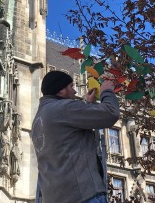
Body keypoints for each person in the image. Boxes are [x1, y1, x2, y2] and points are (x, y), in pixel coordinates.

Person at [32, 71, 119, 203]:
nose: (75, 91)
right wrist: (107, 92)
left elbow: (69, 137)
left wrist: (87, 106)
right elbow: (110, 113)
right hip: (82, 195)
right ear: (61, 90)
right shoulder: (64, 108)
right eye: (71, 86)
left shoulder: (40, 117)